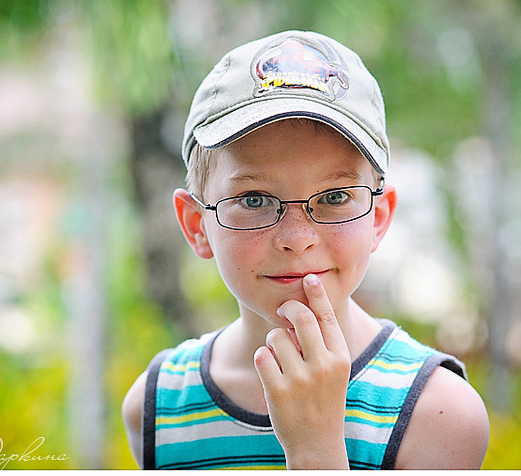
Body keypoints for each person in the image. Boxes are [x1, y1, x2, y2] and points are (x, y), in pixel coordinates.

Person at [122, 30, 489, 470]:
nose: (297, 237)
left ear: (378, 218)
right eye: (254, 199)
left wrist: (315, 450)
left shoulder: (438, 414)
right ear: (196, 225)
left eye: (335, 197)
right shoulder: (157, 407)